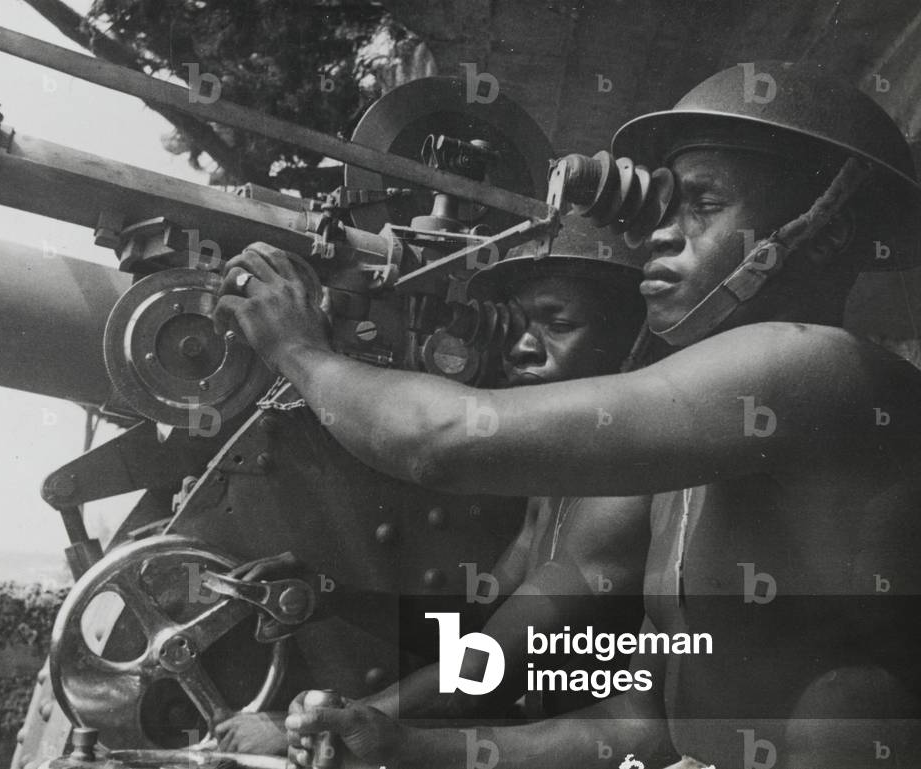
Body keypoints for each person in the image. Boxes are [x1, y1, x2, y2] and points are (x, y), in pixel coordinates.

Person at [214, 62, 921, 768]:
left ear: (828, 233)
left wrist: (301, 351)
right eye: (662, 209)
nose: (658, 237)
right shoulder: (702, 455)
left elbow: (440, 440)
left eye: (702, 206)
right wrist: (401, 742)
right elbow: (645, 721)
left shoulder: (817, 366)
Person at [213, 242, 651, 752]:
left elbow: (484, 671)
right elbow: (474, 621)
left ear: (632, 342)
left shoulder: (623, 496)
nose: (522, 348)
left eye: (557, 325)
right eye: (516, 325)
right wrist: (331, 596)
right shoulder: (560, 483)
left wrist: (314, 728)